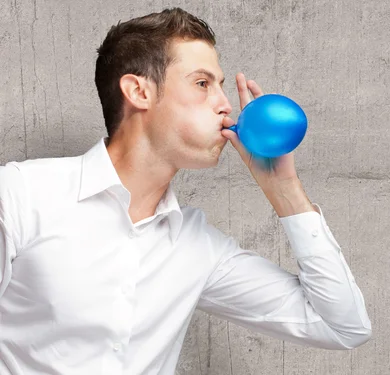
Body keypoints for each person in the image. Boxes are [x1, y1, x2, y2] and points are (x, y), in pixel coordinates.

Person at [0, 7, 371, 375]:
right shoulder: (21, 195)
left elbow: (342, 327)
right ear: (138, 91)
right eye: (202, 84)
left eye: (221, 86)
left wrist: (285, 191)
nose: (226, 105)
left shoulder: (197, 247)